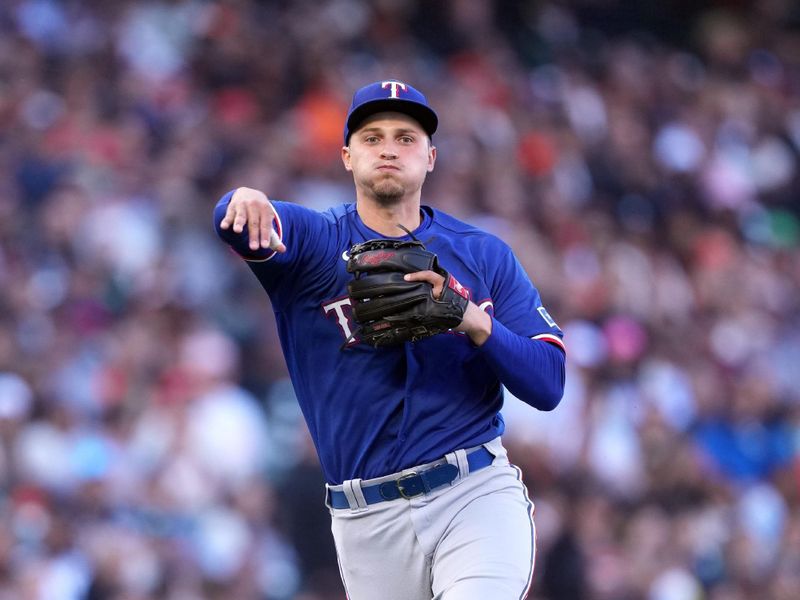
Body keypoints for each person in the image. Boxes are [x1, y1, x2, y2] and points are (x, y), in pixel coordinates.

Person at [214, 80, 566, 599]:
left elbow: (548, 382)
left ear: (430, 158)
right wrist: (241, 199)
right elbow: (239, 225)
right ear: (347, 156)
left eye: (406, 138)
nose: (388, 149)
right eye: (372, 137)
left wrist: (472, 320)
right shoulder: (317, 242)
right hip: (366, 523)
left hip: (473, 495)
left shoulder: (484, 255)